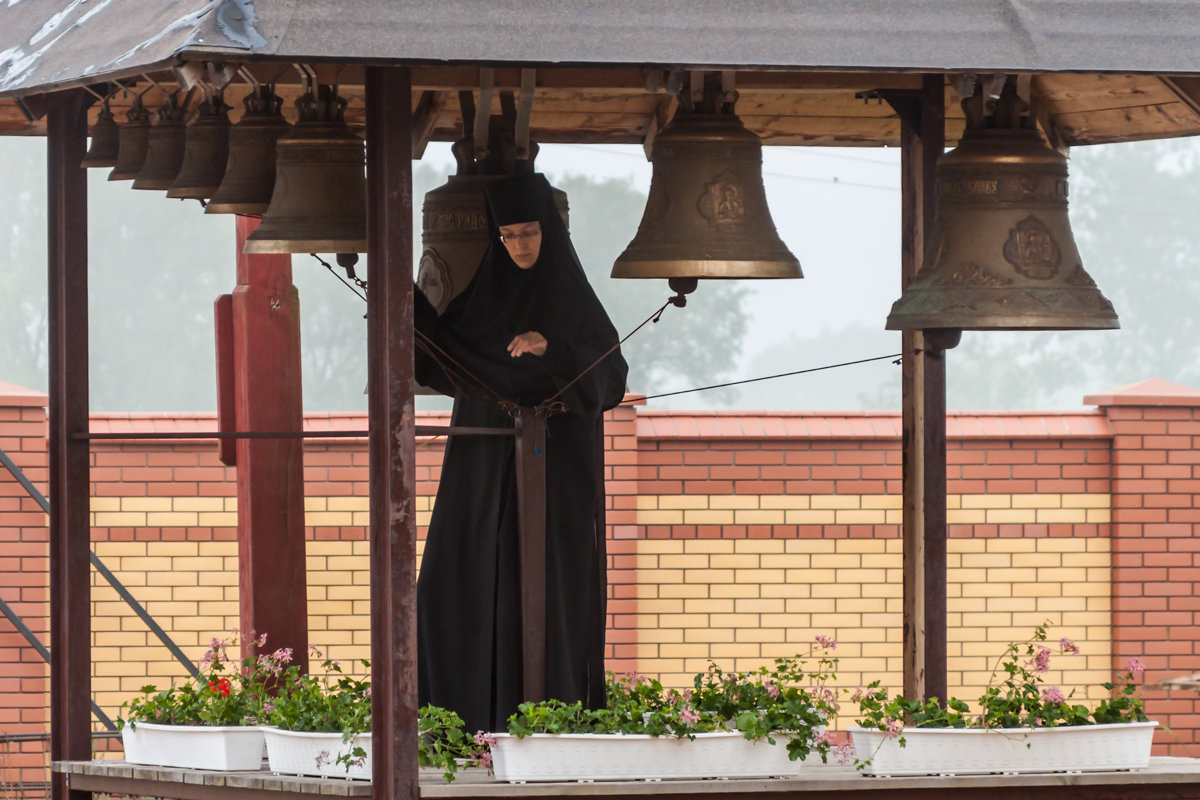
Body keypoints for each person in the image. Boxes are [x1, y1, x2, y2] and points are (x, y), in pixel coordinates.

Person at [413, 173, 629, 733]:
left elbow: (609, 379)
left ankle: (547, 725)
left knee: (545, 598)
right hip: (483, 472)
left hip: (558, 478)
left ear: (549, 232)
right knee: (448, 582)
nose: (521, 246)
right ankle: (459, 726)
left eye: (530, 232)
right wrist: (389, 287)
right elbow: (443, 355)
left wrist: (550, 348)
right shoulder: (485, 297)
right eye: (507, 235)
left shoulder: (573, 304)